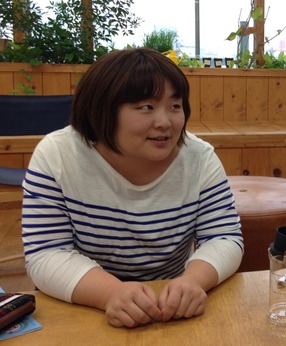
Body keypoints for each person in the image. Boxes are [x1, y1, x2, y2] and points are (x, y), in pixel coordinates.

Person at [21, 48, 244, 328]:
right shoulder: (57, 155)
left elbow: (224, 237)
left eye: (175, 106)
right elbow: (46, 252)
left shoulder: (199, 157)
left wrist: (193, 282)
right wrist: (110, 293)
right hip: (83, 303)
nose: (165, 122)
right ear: (102, 110)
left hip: (171, 308)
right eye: (146, 107)